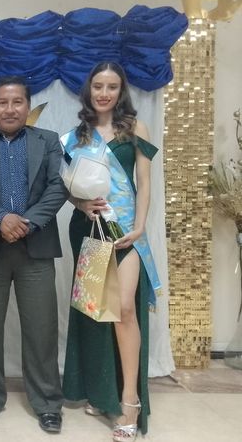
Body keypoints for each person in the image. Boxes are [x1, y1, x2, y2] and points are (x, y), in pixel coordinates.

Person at [0, 76, 68, 433]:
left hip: (36, 248)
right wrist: (0, 218)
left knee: (41, 328)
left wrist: (28, 222)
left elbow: (58, 186)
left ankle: (47, 403)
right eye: (2, 102)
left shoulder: (48, 141)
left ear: (28, 106)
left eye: (17, 101)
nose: (9, 109)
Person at [61, 61, 161, 442]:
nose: (104, 93)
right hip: (89, 229)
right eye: (98, 86)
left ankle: (129, 400)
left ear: (121, 91)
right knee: (97, 312)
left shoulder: (135, 129)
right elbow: (67, 187)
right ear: (89, 90)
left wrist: (140, 226)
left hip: (126, 232)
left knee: (123, 310)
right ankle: (102, 393)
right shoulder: (76, 137)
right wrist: (80, 204)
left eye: (112, 87)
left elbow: (145, 182)